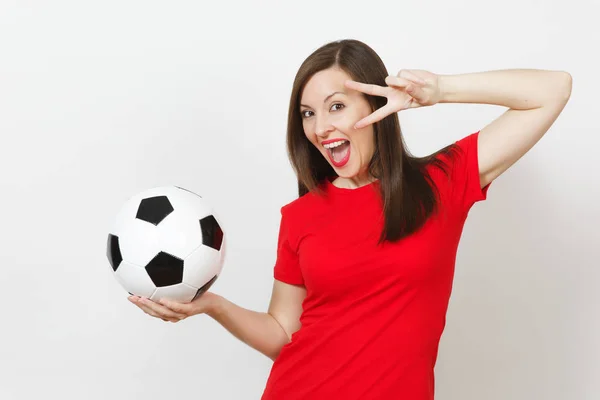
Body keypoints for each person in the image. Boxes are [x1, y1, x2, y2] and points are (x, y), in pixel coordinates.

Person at [127, 39, 572, 399]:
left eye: (336, 106)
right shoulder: (300, 216)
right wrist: (213, 305)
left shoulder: (441, 183)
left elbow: (553, 89)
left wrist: (439, 91)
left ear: (376, 105)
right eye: (308, 113)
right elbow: (284, 334)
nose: (321, 127)